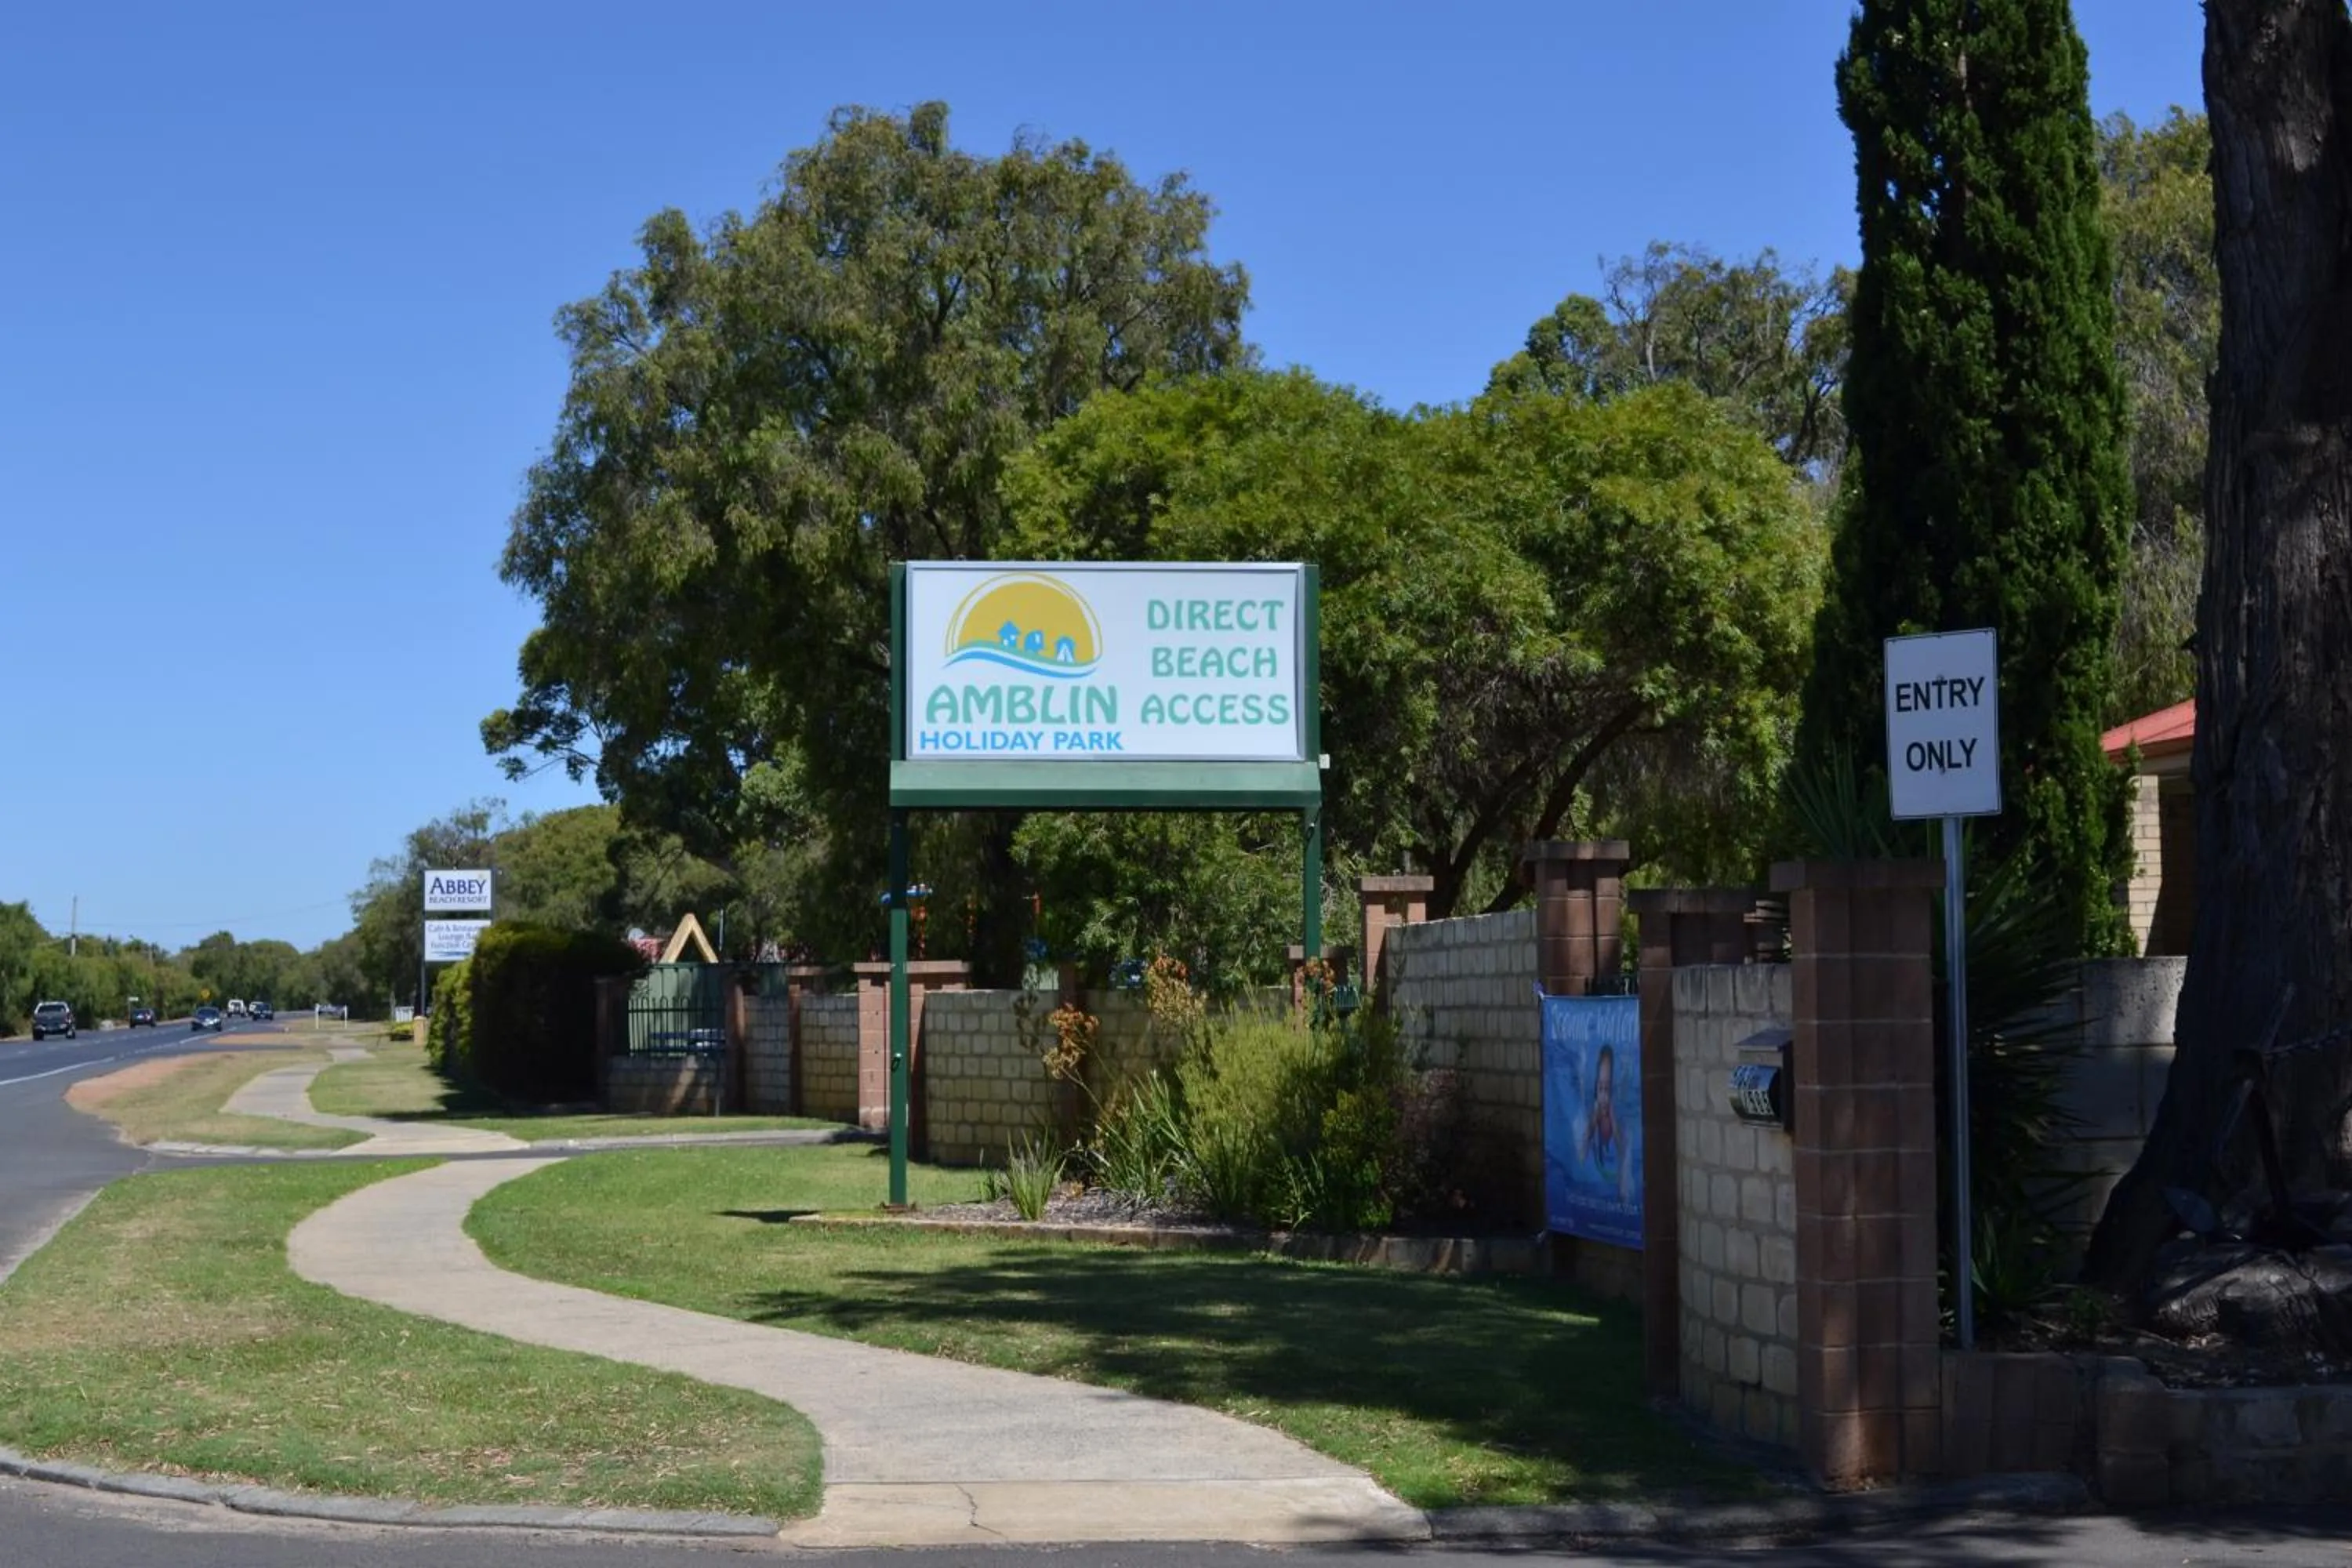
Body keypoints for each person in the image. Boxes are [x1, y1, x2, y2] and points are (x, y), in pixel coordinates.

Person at [1581, 1044, 1619, 1176]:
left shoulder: (1614, 1114)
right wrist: (1593, 1122)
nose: (1604, 1097)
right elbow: (1582, 1155)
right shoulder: (1594, 1113)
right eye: (1601, 1089)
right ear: (1596, 1089)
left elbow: (1622, 1150)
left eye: (1607, 1089)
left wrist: (1614, 1121)